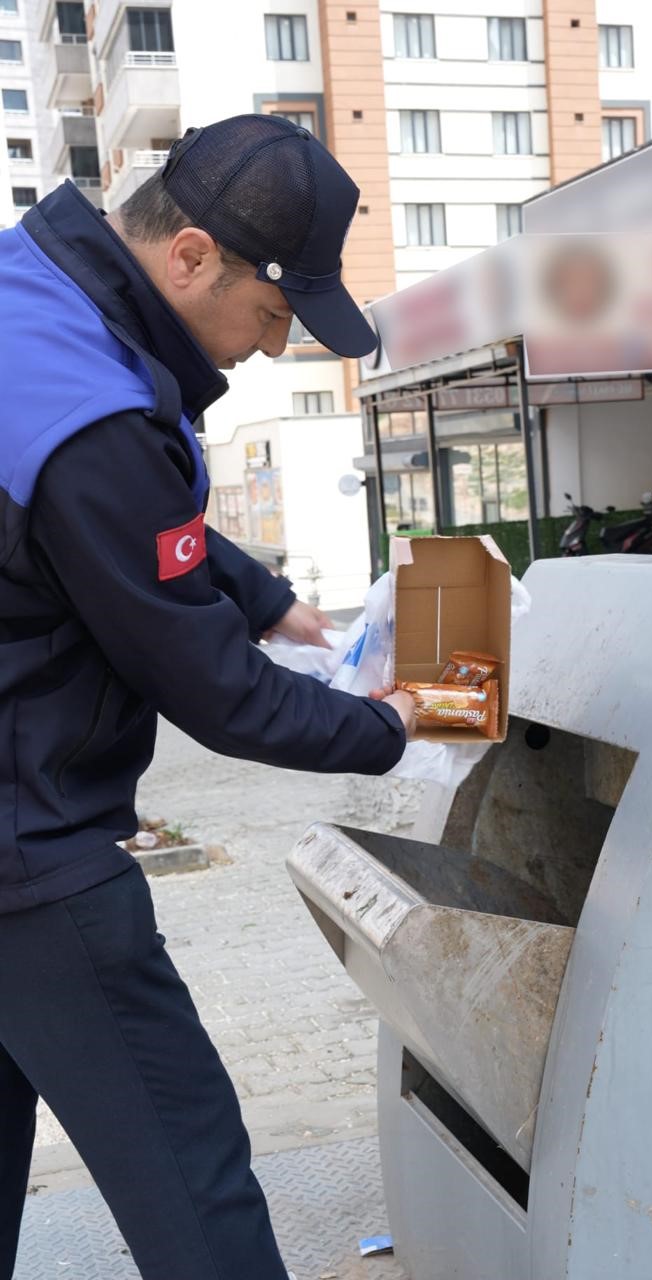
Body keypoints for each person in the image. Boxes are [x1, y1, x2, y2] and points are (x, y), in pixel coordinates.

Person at [0, 114, 414, 1280]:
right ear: (188, 256)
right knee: (191, 1173)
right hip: (26, 858)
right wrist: (388, 725)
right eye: (273, 316)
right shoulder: (92, 415)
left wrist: (263, 593)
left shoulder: (28, 298)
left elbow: (97, 529)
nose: (268, 352)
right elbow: (219, 695)